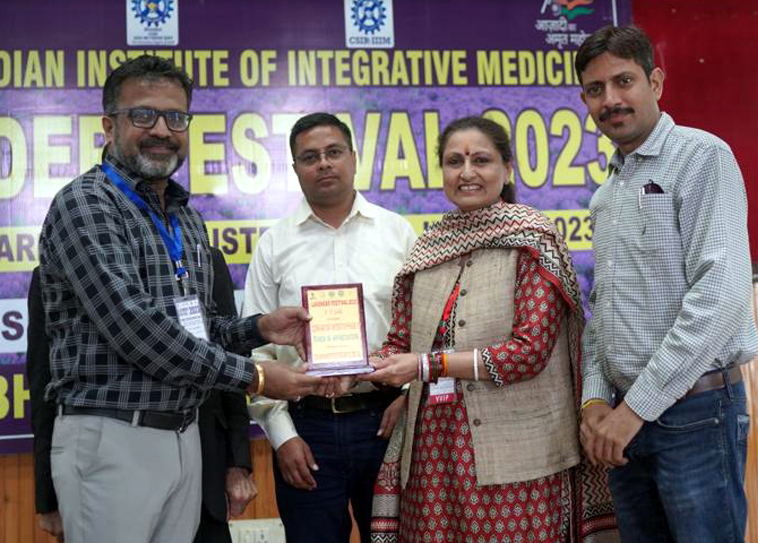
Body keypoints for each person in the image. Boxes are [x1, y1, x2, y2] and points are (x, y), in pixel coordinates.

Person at [38, 55, 322, 543]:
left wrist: (259, 329)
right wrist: (255, 375)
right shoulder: (85, 203)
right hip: (112, 436)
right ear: (110, 125)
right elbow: (136, 328)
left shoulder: (185, 216)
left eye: (176, 117)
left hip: (184, 434)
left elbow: (197, 327)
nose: (162, 130)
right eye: (143, 115)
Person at [361, 116, 617, 543]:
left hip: (518, 453)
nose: (466, 172)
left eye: (481, 160)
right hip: (434, 456)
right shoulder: (428, 247)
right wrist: (351, 365)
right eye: (453, 161)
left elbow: (528, 353)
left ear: (507, 169)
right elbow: (400, 342)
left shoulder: (533, 241)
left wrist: (425, 366)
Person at [576, 25, 758, 543]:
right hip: (623, 423)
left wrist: (634, 410)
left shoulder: (702, 157)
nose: (610, 100)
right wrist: (594, 402)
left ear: (655, 82)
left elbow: (719, 297)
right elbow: (601, 310)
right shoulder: (606, 194)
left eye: (623, 81)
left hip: (695, 414)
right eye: (595, 90)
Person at [242, 112, 417, 543]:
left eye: (333, 152)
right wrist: (282, 437)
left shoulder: (398, 234)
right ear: (296, 168)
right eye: (309, 156)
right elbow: (256, 349)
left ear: (354, 159)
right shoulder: (275, 244)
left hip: (387, 421)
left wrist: (411, 400)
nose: (323, 163)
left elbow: (428, 331)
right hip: (308, 428)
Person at [27, 248, 258, 543]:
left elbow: (230, 361)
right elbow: (44, 384)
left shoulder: (203, 258)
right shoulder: (65, 270)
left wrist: (239, 463)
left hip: (203, 471)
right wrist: (48, 496)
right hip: (110, 475)